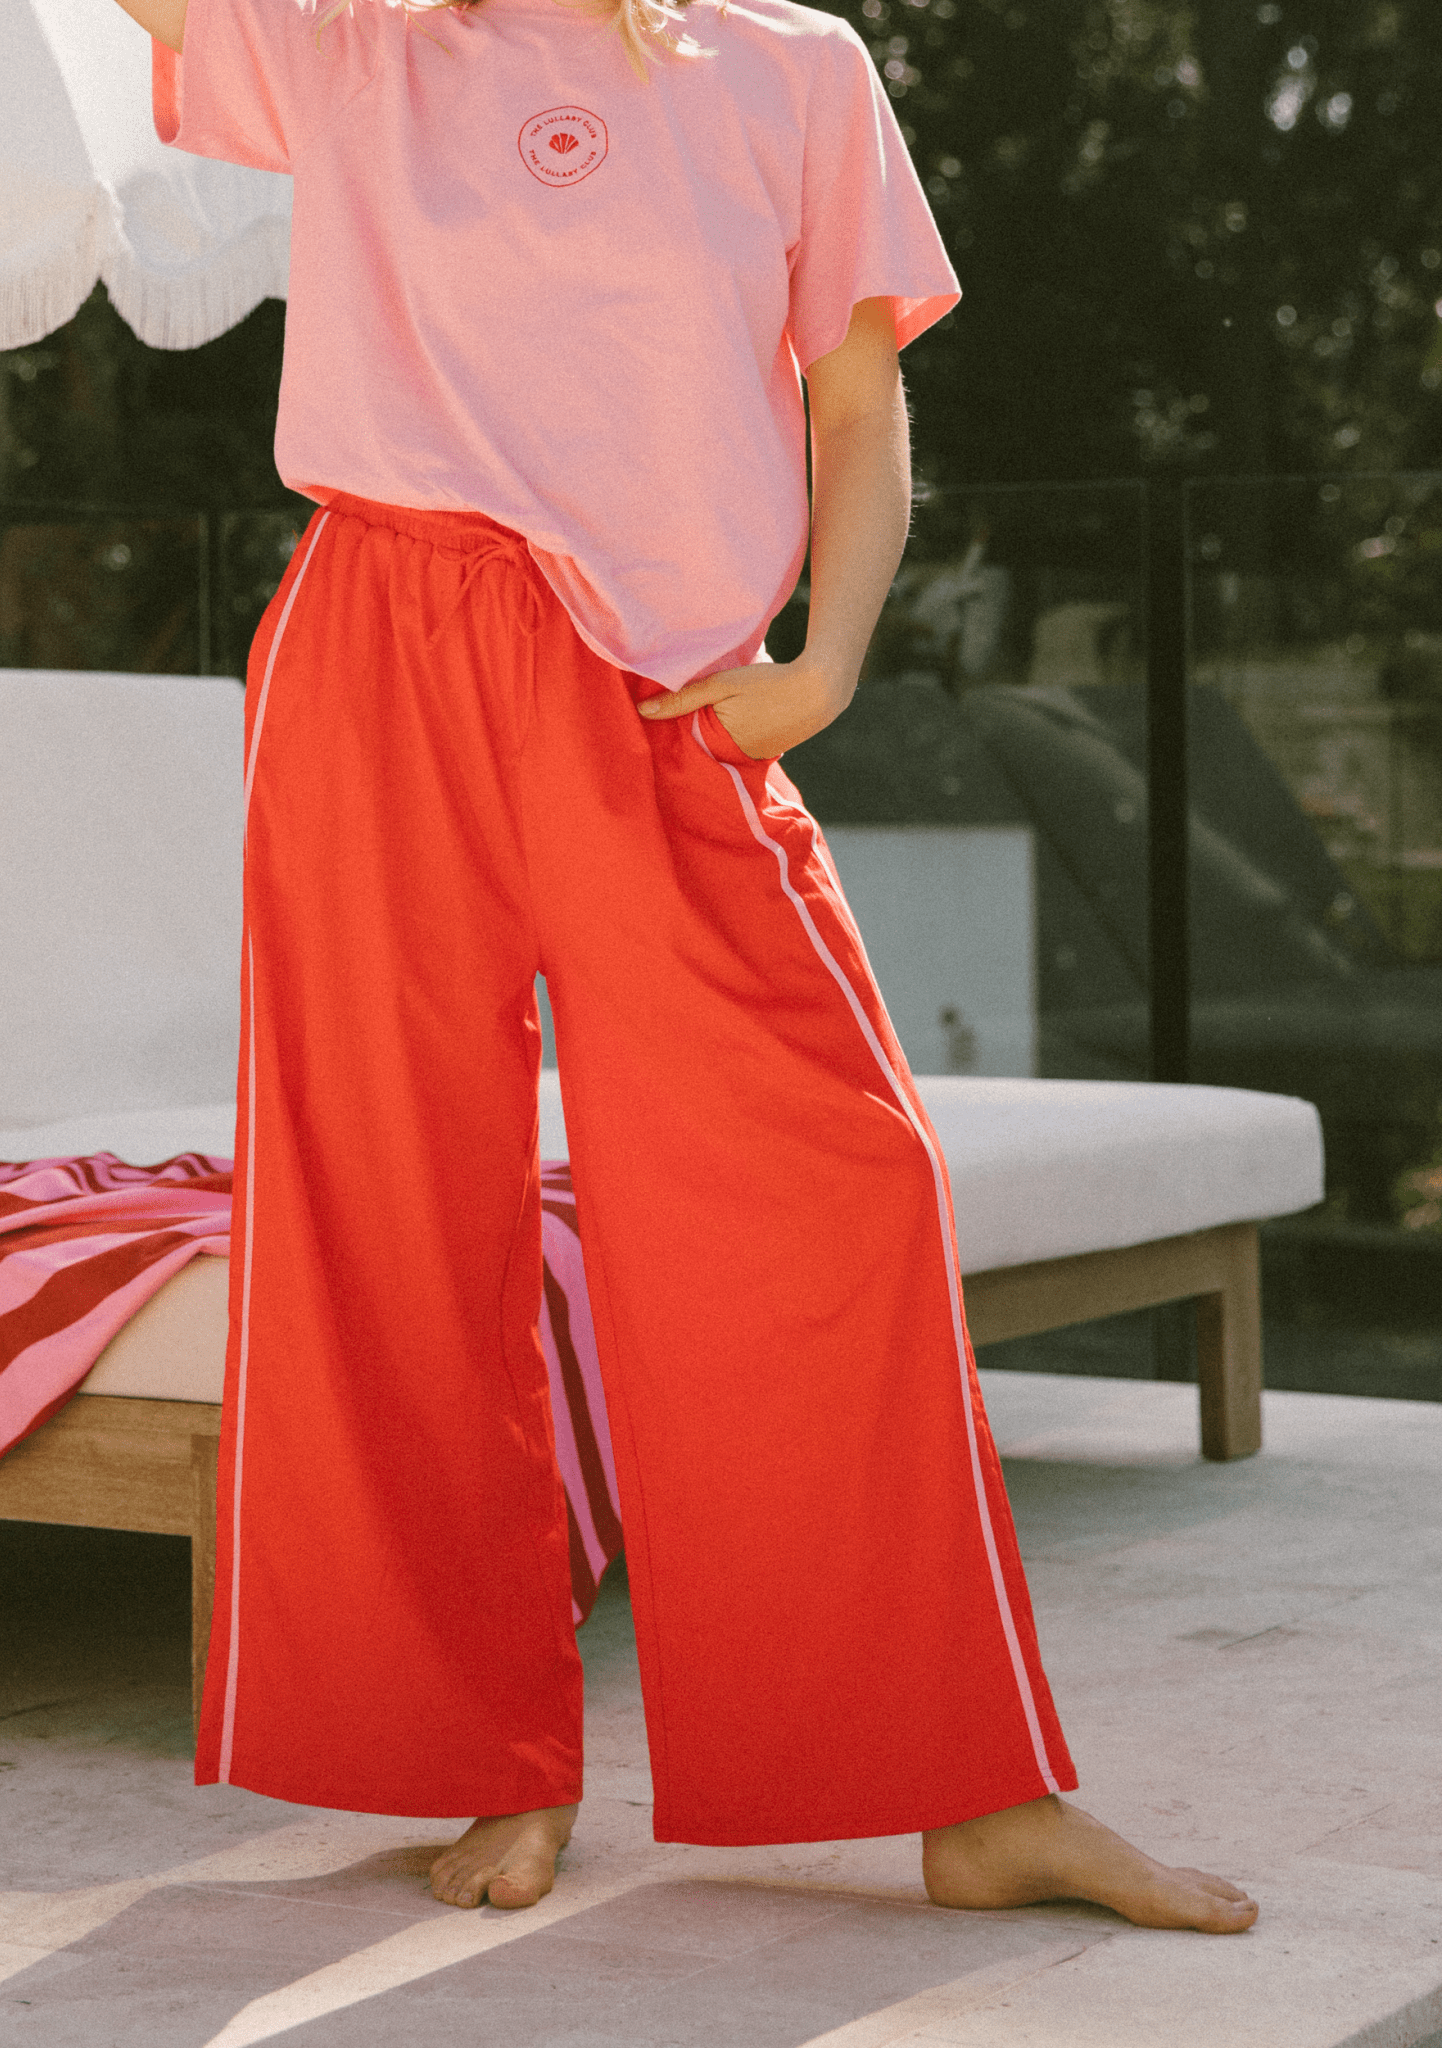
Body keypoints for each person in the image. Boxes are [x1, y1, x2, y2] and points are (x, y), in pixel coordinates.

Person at [116, 0, 1258, 1932]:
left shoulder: (794, 67)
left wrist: (828, 660)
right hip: (380, 645)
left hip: (664, 688)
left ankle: (967, 1792)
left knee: (839, 1185)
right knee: (388, 1201)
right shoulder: (365, 41)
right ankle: (476, 1756)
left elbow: (855, 403)